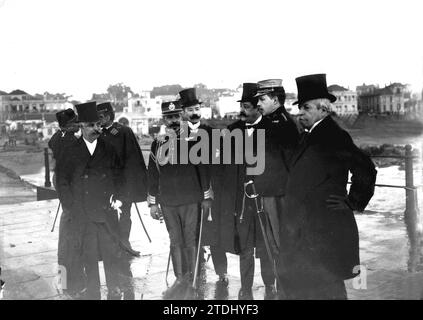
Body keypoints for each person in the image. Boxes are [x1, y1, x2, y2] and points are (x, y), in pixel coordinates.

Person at [278, 74, 377, 299]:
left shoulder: (333, 135)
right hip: (306, 229)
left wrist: (353, 201)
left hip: (323, 229)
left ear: (323, 109)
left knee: (326, 288)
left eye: (305, 107)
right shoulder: (309, 135)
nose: (300, 112)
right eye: (299, 108)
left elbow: (365, 168)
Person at [57, 101, 136, 300]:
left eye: (98, 125)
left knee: (111, 253)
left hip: (106, 212)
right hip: (83, 214)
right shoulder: (70, 150)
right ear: (81, 126)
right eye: (91, 125)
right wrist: (71, 207)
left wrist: (118, 198)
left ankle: (114, 289)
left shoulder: (109, 148)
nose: (96, 129)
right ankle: (93, 292)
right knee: (89, 256)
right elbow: (62, 181)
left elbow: (120, 176)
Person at [148, 100, 212, 300]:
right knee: (175, 240)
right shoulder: (157, 142)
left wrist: (206, 198)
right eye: (169, 117)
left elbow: (203, 170)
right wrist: (152, 203)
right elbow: (153, 175)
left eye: (176, 116)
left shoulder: (194, 139)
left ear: (181, 116)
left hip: (191, 199)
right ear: (164, 119)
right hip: (168, 201)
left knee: (191, 239)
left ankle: (193, 279)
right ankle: (180, 278)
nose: (173, 120)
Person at [252, 79, 300, 299]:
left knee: (281, 244)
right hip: (266, 191)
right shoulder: (266, 123)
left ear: (276, 100)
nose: (258, 104)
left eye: (262, 99)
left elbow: (292, 163)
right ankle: (284, 287)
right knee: (273, 243)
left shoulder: (284, 125)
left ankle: (287, 289)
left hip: (280, 193)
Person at [96, 102, 148, 253]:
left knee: (125, 213)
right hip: (104, 184)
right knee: (107, 215)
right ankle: (111, 246)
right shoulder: (96, 133)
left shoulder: (123, 132)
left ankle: (124, 243)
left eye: (102, 116)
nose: (100, 120)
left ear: (109, 115)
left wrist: (133, 184)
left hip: (122, 183)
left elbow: (133, 159)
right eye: (98, 117)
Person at [48, 108, 85, 298]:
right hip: (70, 192)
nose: (79, 125)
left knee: (66, 242)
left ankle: (66, 279)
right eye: (76, 123)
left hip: (64, 189)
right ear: (68, 125)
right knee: (72, 242)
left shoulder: (57, 137)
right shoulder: (71, 142)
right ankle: (71, 283)